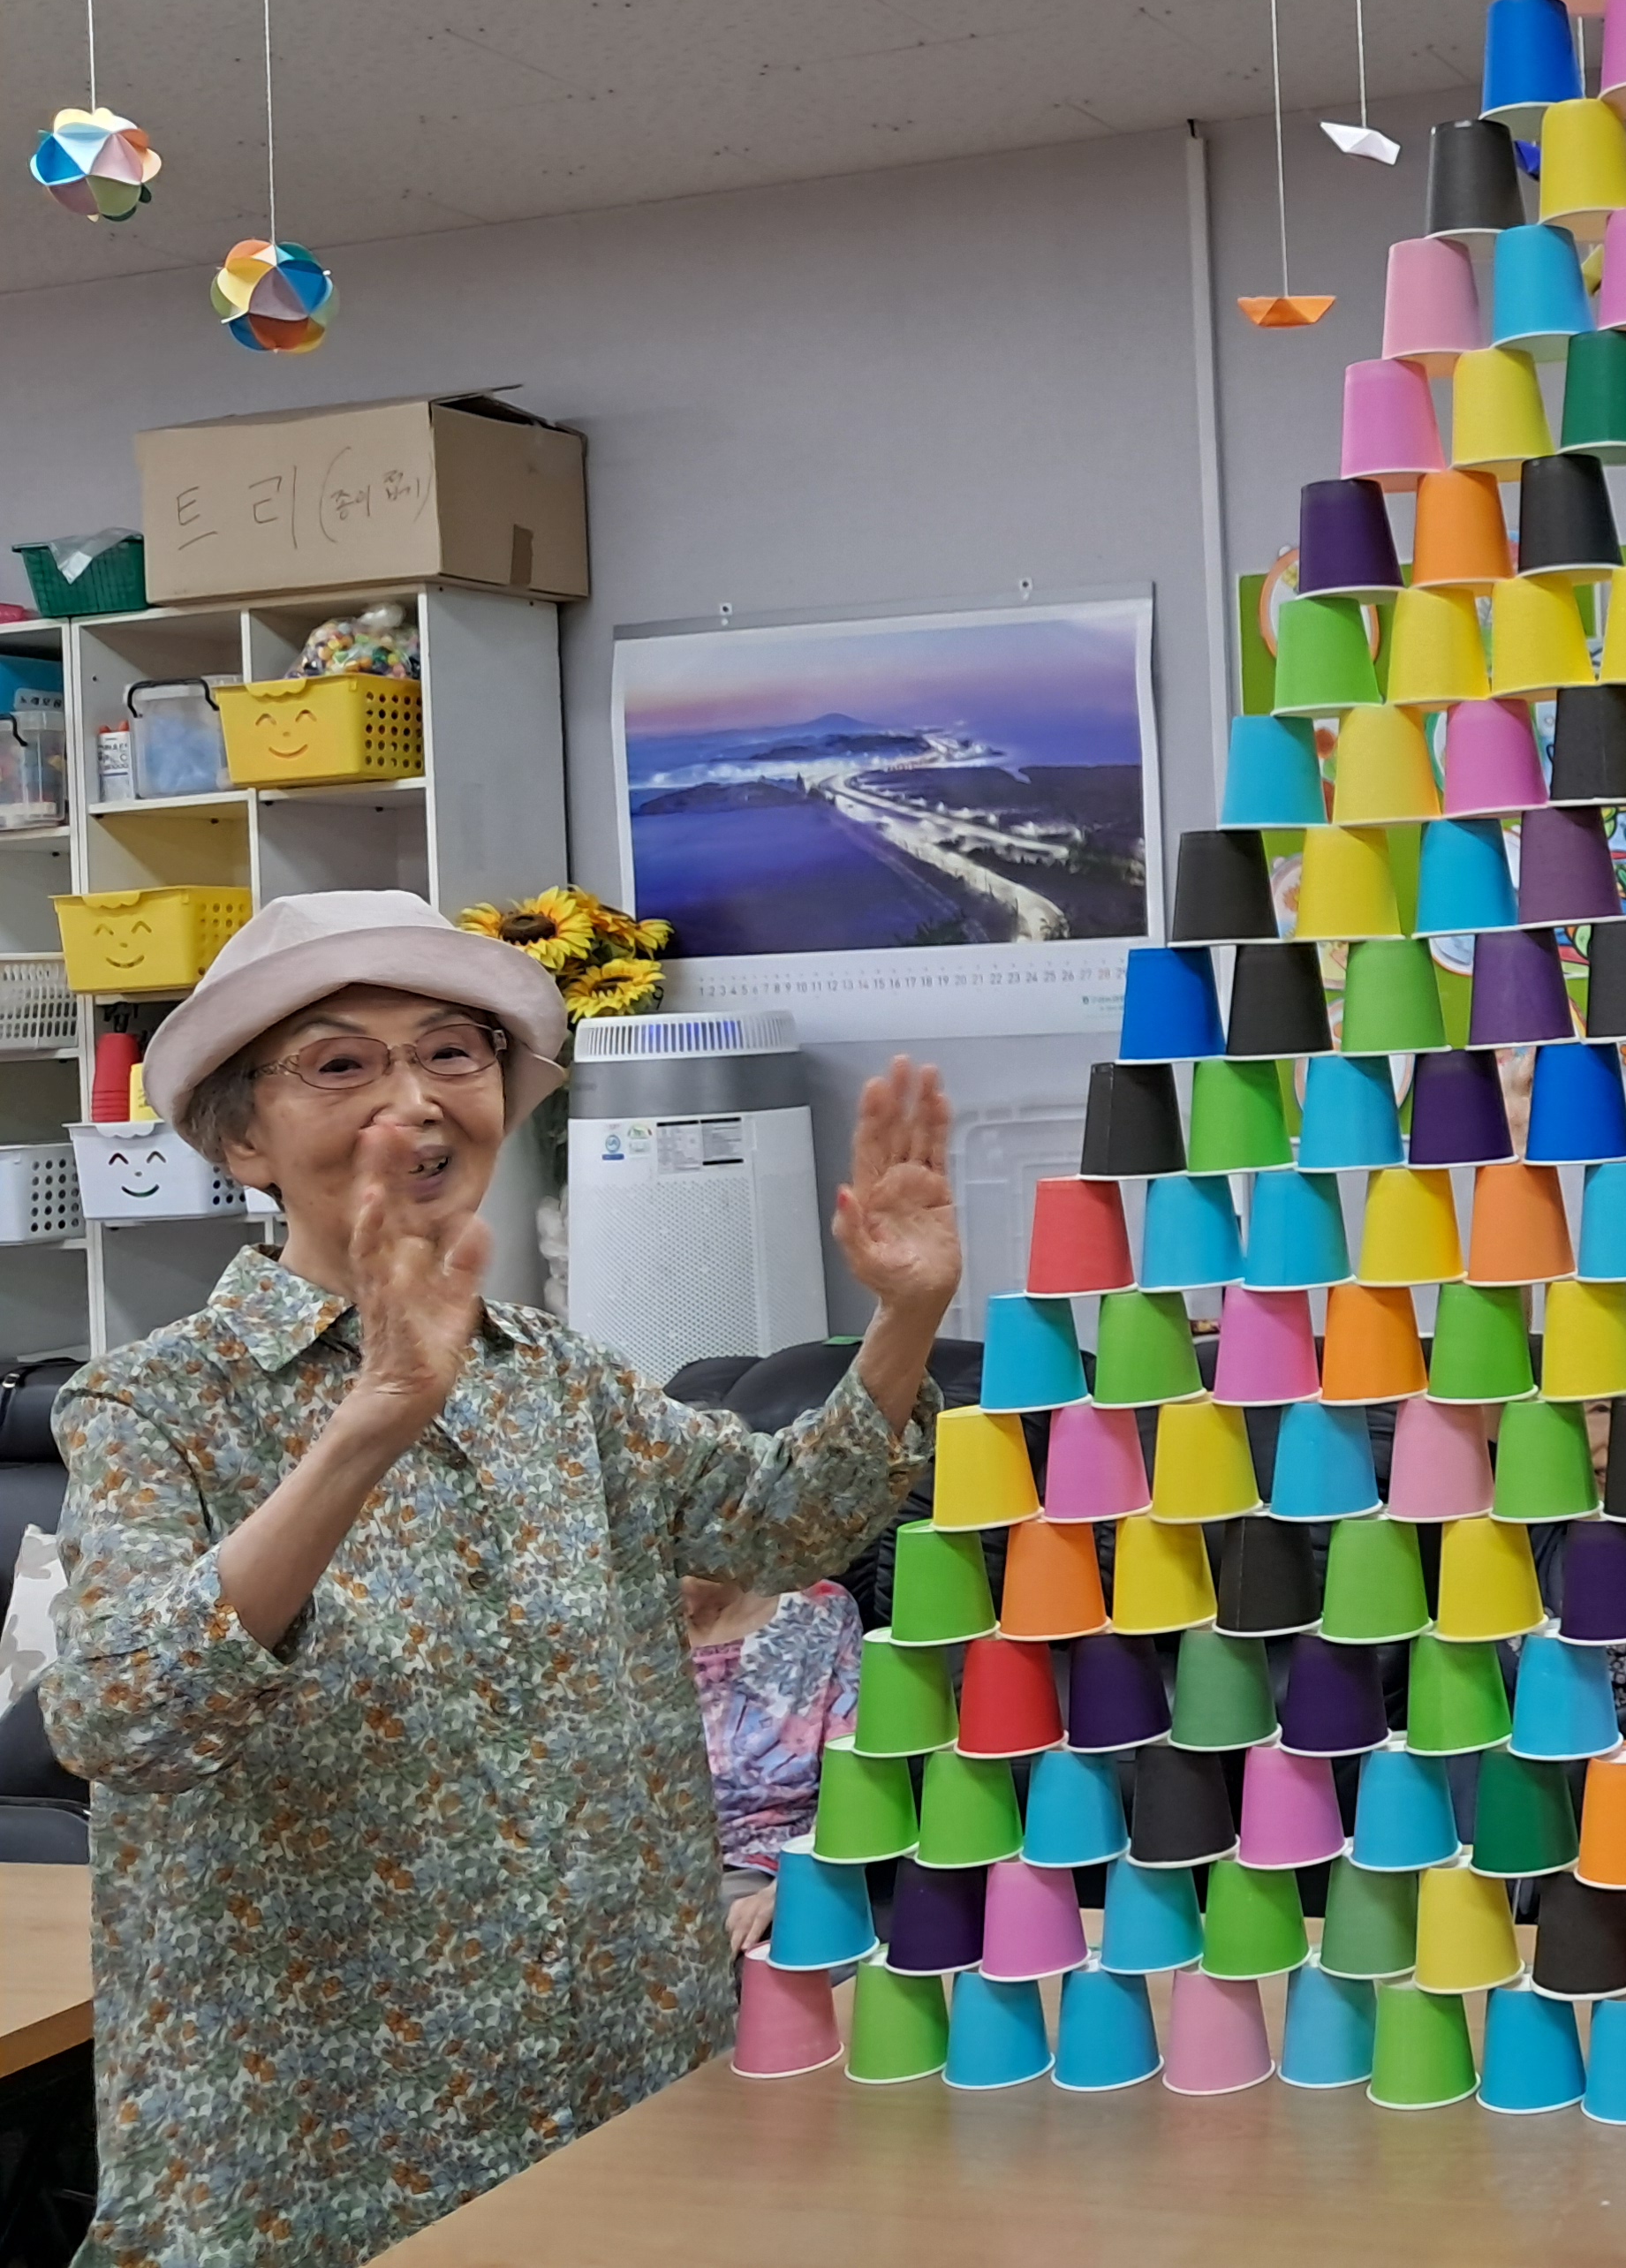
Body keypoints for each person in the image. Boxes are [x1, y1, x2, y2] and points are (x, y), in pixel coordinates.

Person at [41, 891, 960, 2268]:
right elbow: (122, 1713)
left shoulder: (561, 1376)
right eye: (341, 1064)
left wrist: (904, 1315)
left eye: (452, 1054)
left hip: (618, 2082)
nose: (413, 1099)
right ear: (241, 1137)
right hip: (326, 2133)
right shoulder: (157, 1403)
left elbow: (784, 1525)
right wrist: (368, 1425)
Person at [683, 1556, 864, 1954]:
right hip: (647, 1872)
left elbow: (855, 1778)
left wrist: (791, 1887)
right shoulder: (623, 1628)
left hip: (763, 1867)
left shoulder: (821, 1612)